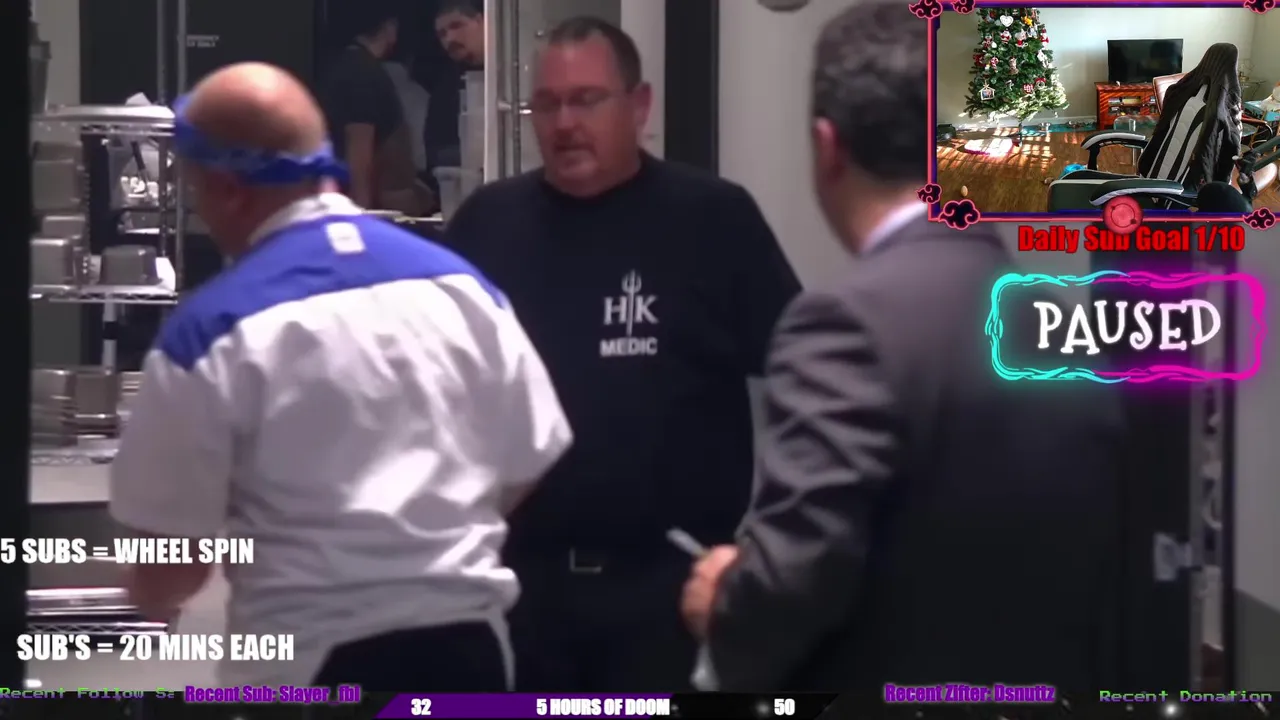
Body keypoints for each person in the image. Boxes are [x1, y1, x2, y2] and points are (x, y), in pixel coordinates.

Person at [679, 1, 1124, 691]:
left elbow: (793, 581)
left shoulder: (844, 327)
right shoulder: (1065, 324)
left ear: (828, 147)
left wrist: (726, 602)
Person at [108, 62, 571, 691]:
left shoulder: (208, 333)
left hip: (309, 665)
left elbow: (171, 567)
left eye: (198, 193)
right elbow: (530, 456)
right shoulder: (463, 289)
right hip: (472, 655)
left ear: (229, 190)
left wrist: (135, 593)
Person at [444, 17, 801, 691]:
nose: (564, 123)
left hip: (670, 592)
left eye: (586, 100)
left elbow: (805, 382)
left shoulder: (713, 220)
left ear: (639, 106)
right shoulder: (488, 226)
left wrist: (778, 546)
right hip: (520, 588)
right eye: (548, 104)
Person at [317, 3, 433, 213]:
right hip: (378, 211)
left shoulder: (352, 67)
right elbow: (359, 152)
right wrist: (361, 214)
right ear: (390, 27)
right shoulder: (361, 73)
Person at [426, 0, 485, 170]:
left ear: (480, 21)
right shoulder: (445, 88)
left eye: (457, 26)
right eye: (442, 34)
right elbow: (435, 149)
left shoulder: (512, 72)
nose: (450, 39)